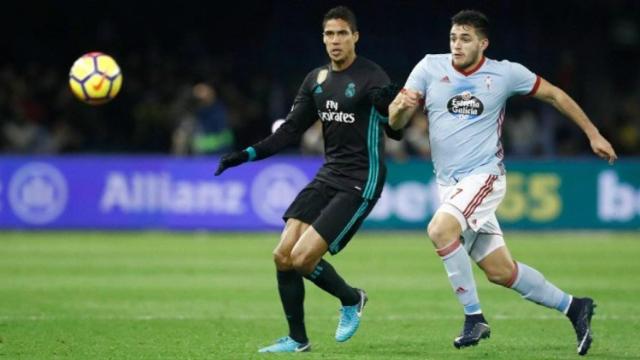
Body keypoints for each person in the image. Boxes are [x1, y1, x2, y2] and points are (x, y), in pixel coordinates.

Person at [389, 10, 617, 356]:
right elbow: (395, 123)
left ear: (483, 43)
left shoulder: (506, 73)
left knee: (439, 229)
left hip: (484, 177)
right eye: (453, 38)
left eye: (465, 39)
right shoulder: (428, 68)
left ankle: (474, 318)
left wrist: (593, 133)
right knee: (500, 271)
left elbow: (554, 95)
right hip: (449, 184)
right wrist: (401, 109)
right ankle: (575, 307)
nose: (457, 45)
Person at [215, 6, 402, 353]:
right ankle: (298, 340)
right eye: (329, 34)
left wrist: (391, 111)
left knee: (303, 259)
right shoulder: (316, 80)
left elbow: (396, 131)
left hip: (361, 179)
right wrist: (247, 155)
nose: (335, 41)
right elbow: (289, 131)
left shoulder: (372, 76)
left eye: (342, 33)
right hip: (329, 174)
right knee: (282, 256)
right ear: (323, 38)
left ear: (355, 37)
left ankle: (352, 298)